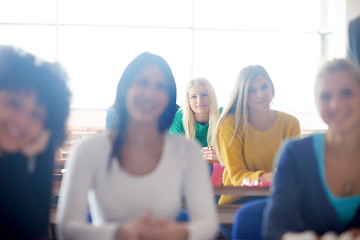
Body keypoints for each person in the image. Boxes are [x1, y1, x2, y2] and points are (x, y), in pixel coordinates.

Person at [57, 52, 218, 240]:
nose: (150, 94)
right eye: (142, 82)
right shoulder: (88, 151)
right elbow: (67, 228)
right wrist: (120, 233)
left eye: (160, 86)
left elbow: (208, 224)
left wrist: (182, 232)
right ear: (125, 88)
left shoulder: (187, 151)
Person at [263, 59, 360, 240]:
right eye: (325, 96)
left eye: (347, 92)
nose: (336, 104)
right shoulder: (295, 154)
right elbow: (274, 230)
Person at [0, 45, 71, 239]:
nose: (22, 121)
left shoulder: (20, 161)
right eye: (14, 103)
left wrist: (30, 159)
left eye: (36, 114)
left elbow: (32, 230)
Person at [215, 65, 300, 205]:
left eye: (264, 86)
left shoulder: (290, 123)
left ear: (272, 87)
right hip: (239, 201)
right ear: (242, 94)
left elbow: (293, 171)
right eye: (251, 90)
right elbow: (237, 177)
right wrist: (267, 178)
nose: (260, 95)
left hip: (278, 198)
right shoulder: (230, 124)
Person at [170, 77, 222, 177]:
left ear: (211, 96)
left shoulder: (223, 115)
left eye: (204, 95)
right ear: (188, 100)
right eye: (193, 97)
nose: (199, 100)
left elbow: (234, 149)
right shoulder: (179, 117)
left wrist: (220, 154)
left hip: (218, 170)